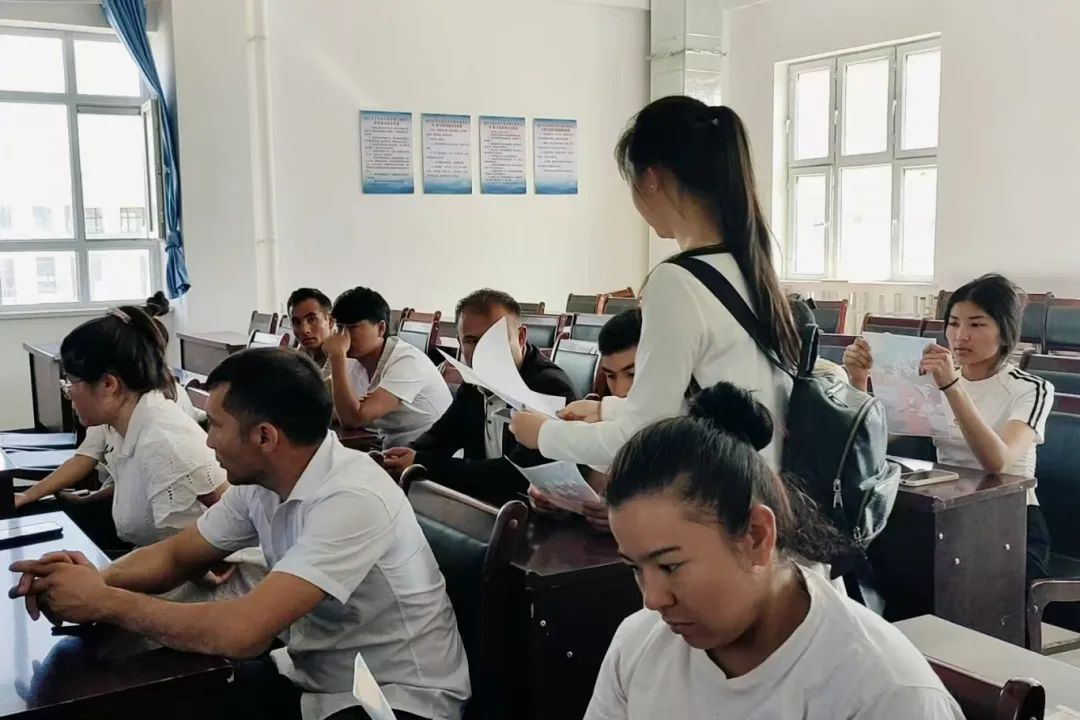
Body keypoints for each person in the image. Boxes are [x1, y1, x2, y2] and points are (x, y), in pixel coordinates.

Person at [9, 348, 470, 720]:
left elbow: (242, 633)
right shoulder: (263, 482)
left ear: (265, 437)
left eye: (216, 425)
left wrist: (104, 602)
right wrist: (91, 580)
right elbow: (176, 556)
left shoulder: (352, 499)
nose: (208, 440)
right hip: (317, 677)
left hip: (395, 698)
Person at [583, 382, 963, 719]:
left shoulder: (883, 695)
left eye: (669, 566)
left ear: (756, 536)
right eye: (636, 568)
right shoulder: (639, 644)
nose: (652, 600)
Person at [510, 97, 797, 471]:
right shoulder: (748, 266)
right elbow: (695, 408)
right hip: (757, 488)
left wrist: (544, 434)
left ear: (651, 179)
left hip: (715, 494)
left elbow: (639, 442)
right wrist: (605, 409)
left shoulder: (676, 282)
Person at [843, 274, 1054, 579]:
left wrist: (952, 387)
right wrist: (859, 381)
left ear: (1005, 333)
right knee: (869, 556)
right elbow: (874, 441)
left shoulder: (1031, 389)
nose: (961, 336)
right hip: (944, 512)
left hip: (1009, 520)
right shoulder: (934, 380)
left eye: (977, 325)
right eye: (954, 323)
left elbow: (998, 462)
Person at [382, 289, 578, 506]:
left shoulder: (549, 387)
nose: (483, 351)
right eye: (472, 341)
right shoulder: (474, 382)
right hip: (487, 504)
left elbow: (518, 473)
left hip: (537, 511)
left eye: (494, 340)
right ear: (460, 342)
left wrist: (421, 462)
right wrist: (396, 458)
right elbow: (440, 437)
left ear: (521, 337)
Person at [528, 308, 642, 531]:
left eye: (632, 374)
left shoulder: (689, 423)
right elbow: (594, 486)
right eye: (610, 376)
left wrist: (631, 516)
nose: (621, 390)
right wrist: (555, 496)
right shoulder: (604, 419)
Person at [324, 287, 453, 448]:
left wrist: (337, 357)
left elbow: (352, 419)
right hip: (390, 448)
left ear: (381, 329)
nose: (343, 336)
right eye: (339, 328)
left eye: (352, 327)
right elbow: (320, 403)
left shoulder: (406, 361)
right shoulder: (352, 358)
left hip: (430, 454)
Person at [287, 287, 334, 373]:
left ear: (330, 321)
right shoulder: (302, 353)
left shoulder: (345, 357)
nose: (304, 330)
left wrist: (336, 356)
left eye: (312, 320)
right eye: (296, 322)